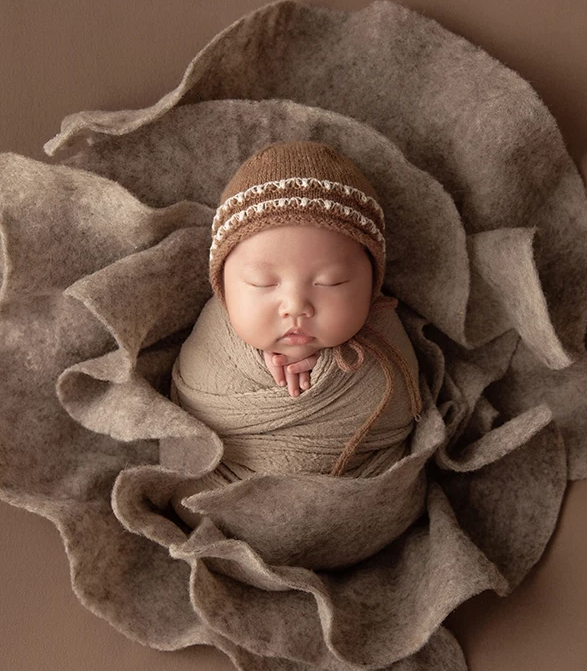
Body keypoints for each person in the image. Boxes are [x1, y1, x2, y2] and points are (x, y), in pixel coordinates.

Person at [169, 141, 421, 525]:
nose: (295, 305)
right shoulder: (214, 331)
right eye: (261, 283)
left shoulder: (385, 333)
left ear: (372, 285)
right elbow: (197, 397)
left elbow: (400, 403)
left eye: (332, 282)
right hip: (218, 498)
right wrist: (250, 359)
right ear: (222, 287)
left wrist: (332, 375)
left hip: (359, 512)